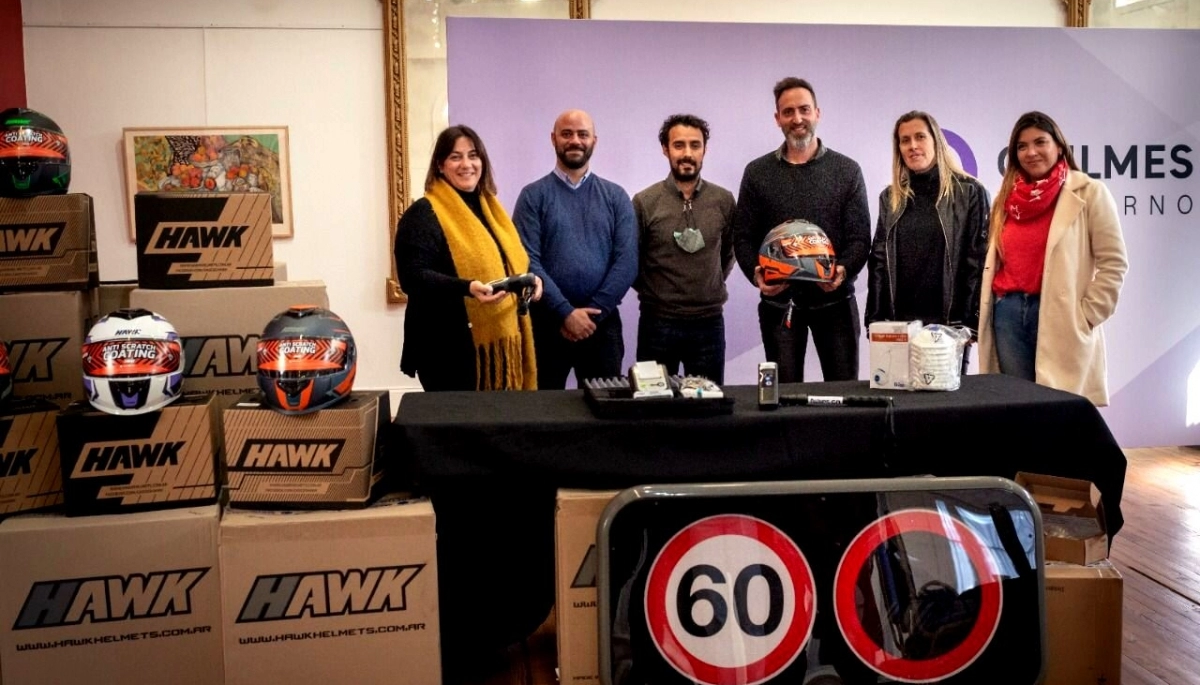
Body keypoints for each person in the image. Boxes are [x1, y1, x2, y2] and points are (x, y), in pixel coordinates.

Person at [978, 111, 1128, 406]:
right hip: (1007, 313)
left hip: (1059, 316)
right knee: (1016, 406)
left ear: (1059, 146)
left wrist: (1087, 314)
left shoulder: (1089, 192)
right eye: (1022, 146)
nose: (1031, 152)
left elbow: (1114, 261)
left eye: (1040, 142)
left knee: (1060, 409)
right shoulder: (1005, 198)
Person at [733, 77, 871, 383]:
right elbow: (742, 236)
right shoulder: (757, 173)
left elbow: (860, 238)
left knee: (844, 392)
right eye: (788, 111)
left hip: (835, 303)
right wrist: (756, 273)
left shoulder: (847, 171)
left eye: (804, 109)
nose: (797, 118)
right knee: (785, 400)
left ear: (817, 113)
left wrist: (843, 271)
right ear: (777, 118)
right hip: (780, 305)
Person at [394, 124, 542, 392]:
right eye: (455, 156)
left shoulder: (492, 211)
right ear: (440, 165)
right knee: (457, 433)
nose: (467, 164)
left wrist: (530, 279)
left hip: (497, 344)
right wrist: (467, 288)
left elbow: (511, 260)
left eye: (473, 155)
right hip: (446, 349)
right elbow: (412, 276)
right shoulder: (423, 213)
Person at [513, 109, 638, 389]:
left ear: (594, 140)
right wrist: (565, 313)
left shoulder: (616, 197)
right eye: (567, 133)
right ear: (553, 139)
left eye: (583, 134)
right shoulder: (533, 196)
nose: (575, 140)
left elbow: (627, 262)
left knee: (604, 419)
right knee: (543, 417)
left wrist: (591, 313)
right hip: (546, 324)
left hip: (601, 326)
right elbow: (526, 259)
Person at [865, 111, 991, 369]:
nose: (912, 146)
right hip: (899, 326)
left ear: (936, 141)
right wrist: (875, 320)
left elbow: (976, 261)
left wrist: (968, 321)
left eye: (920, 137)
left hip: (949, 326)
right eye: (904, 140)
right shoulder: (889, 199)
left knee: (948, 407)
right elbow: (879, 262)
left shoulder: (969, 193)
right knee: (901, 405)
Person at [631, 114, 735, 384]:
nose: (687, 153)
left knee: (707, 410)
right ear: (665, 149)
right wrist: (659, 293)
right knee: (653, 409)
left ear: (705, 150)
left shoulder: (723, 201)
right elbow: (633, 263)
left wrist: (707, 284)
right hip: (657, 324)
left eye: (695, 145)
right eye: (679, 145)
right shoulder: (645, 202)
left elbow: (727, 254)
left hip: (709, 324)